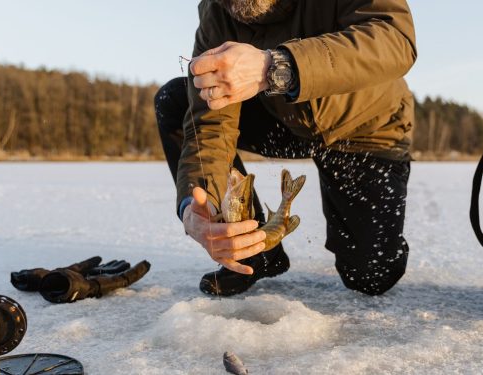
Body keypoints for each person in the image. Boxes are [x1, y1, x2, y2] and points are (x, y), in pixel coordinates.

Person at [155, 0, 416, 296]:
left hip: (366, 131)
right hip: (285, 121)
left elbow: (394, 38)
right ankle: (255, 253)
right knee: (176, 101)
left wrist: (276, 67)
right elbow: (210, 125)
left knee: (370, 276)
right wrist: (196, 203)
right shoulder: (217, 11)